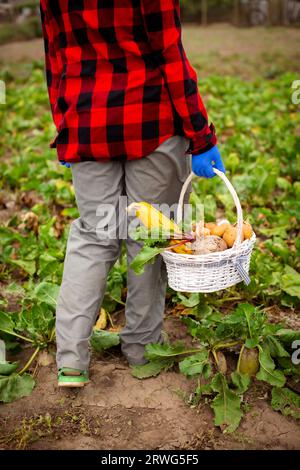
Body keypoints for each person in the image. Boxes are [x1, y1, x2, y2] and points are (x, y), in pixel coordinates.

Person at [40, 0, 225, 387]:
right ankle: (142, 349)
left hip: (86, 123)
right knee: (152, 236)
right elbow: (170, 55)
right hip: (150, 118)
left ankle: (71, 361)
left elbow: (54, 58)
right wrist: (201, 134)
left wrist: (64, 125)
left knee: (94, 236)